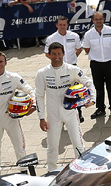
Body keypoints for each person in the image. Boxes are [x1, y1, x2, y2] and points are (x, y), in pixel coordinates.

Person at [35, 42, 96, 172]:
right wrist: (41, 118)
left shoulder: (72, 69)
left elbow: (89, 83)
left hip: (71, 113)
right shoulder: (42, 73)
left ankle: (82, 170)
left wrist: (92, 100)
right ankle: (51, 171)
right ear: (48, 55)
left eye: (59, 53)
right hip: (53, 116)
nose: (56, 57)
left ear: (63, 53)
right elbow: (39, 96)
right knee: (52, 146)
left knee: (78, 144)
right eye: (53, 54)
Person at [0, 51, 35, 178]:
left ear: (6, 63)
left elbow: (30, 89)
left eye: (1, 62)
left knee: (19, 144)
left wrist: (34, 105)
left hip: (11, 118)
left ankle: (23, 170)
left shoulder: (13, 77)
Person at [82, 11, 111, 119]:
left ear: (104, 19)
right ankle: (100, 108)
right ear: (93, 20)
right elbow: (86, 48)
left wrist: (109, 53)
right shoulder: (89, 34)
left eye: (100, 19)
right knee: (98, 87)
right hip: (96, 64)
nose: (98, 21)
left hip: (109, 63)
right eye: (96, 19)